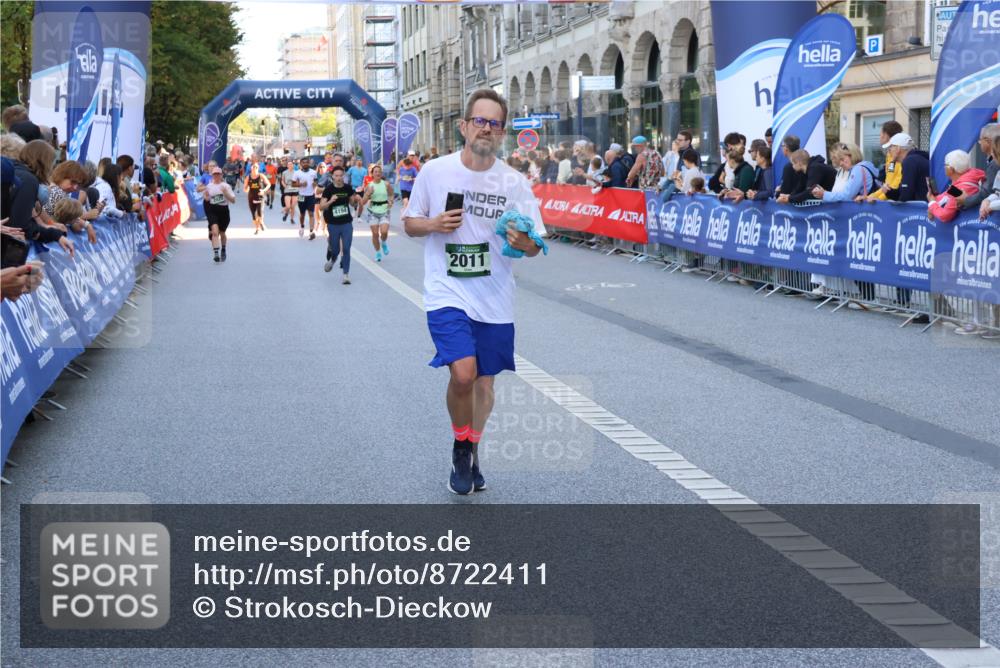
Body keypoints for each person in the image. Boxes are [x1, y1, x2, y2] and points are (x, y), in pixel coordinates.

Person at [402, 88, 544, 495]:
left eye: (494, 123)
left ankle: (471, 444)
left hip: (495, 295)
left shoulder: (514, 183)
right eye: (479, 121)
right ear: (463, 127)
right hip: (447, 290)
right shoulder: (435, 172)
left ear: (502, 134)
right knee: (463, 374)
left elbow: (535, 246)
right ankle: (461, 448)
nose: (486, 129)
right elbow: (410, 222)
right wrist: (434, 225)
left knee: (485, 384)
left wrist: (524, 243)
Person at [318, 164, 361, 284]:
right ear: (332, 177)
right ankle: (332, 260)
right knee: (336, 249)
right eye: (336, 176)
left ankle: (346, 275)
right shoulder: (328, 190)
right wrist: (331, 200)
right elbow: (321, 207)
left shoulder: (347, 188)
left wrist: (355, 200)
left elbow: (352, 204)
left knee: (346, 248)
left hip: (346, 222)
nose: (339, 178)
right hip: (333, 223)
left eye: (341, 175)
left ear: (344, 176)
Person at [927, 150, 984, 223]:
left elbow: (945, 216)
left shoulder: (959, 188)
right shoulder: (964, 182)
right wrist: (932, 206)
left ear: (950, 169)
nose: (944, 167)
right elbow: (945, 197)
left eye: (945, 164)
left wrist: (932, 203)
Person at [201, 166, 236, 262]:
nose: (216, 176)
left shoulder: (226, 186)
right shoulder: (209, 186)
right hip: (213, 210)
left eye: (218, 174)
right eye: (214, 174)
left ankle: (223, 249)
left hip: (224, 211)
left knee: (222, 233)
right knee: (215, 232)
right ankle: (216, 253)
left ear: (221, 175)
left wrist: (225, 194)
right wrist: (206, 197)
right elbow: (206, 197)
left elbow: (233, 200)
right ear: (212, 175)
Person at [881, 133, 929, 202]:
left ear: (898, 148)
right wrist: (889, 192)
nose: (889, 151)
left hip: (920, 210)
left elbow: (905, 196)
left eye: (890, 147)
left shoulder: (910, 161)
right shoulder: (915, 159)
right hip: (923, 208)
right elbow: (904, 191)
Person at [359, 164, 393, 261]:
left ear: (381, 174)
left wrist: (391, 201)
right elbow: (363, 202)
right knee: (375, 234)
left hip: (384, 210)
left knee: (384, 232)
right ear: (372, 174)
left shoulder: (386, 184)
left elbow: (391, 193)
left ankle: (383, 242)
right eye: (375, 172)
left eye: (379, 171)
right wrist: (368, 193)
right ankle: (378, 252)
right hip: (373, 211)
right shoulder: (369, 185)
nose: (378, 173)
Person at [865, 120, 904, 202]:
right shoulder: (890, 155)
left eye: (880, 134)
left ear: (885, 135)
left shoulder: (898, 155)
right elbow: (888, 183)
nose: (879, 137)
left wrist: (878, 199)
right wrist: (869, 197)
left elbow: (895, 184)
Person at [294, 157, 318, 239]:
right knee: (302, 214)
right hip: (301, 196)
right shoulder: (297, 173)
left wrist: (315, 184)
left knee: (311, 214)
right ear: (301, 164)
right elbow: (293, 184)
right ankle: (302, 226)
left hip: (311, 195)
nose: (305, 164)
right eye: (303, 162)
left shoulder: (313, 172)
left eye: (306, 162)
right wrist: (300, 184)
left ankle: (311, 232)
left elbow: (316, 180)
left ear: (309, 163)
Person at [244, 161, 270, 234]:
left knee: (260, 212)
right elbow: (245, 188)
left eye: (256, 167)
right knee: (253, 215)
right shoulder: (248, 177)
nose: (254, 168)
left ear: (258, 168)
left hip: (260, 197)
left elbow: (268, 184)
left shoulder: (261, 176)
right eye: (253, 167)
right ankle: (257, 228)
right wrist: (246, 189)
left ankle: (261, 222)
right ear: (251, 168)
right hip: (251, 197)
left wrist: (263, 190)